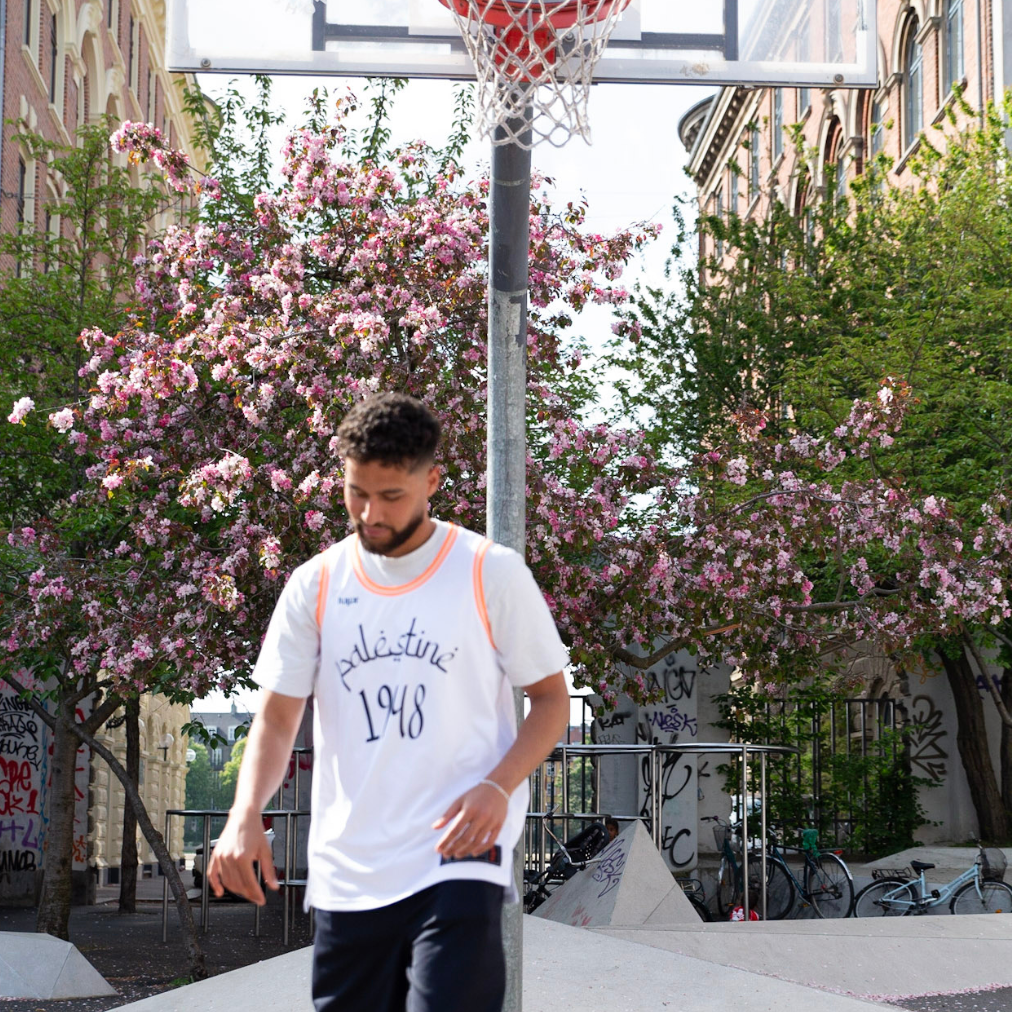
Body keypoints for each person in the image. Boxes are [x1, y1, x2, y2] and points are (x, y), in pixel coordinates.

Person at [206, 392, 571, 1012]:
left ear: (431, 480)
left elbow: (550, 701)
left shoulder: (490, 572)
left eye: (391, 496)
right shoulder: (316, 583)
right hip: (352, 865)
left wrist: (499, 785)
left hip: (460, 853)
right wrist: (246, 813)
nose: (370, 514)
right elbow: (276, 715)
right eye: (356, 493)